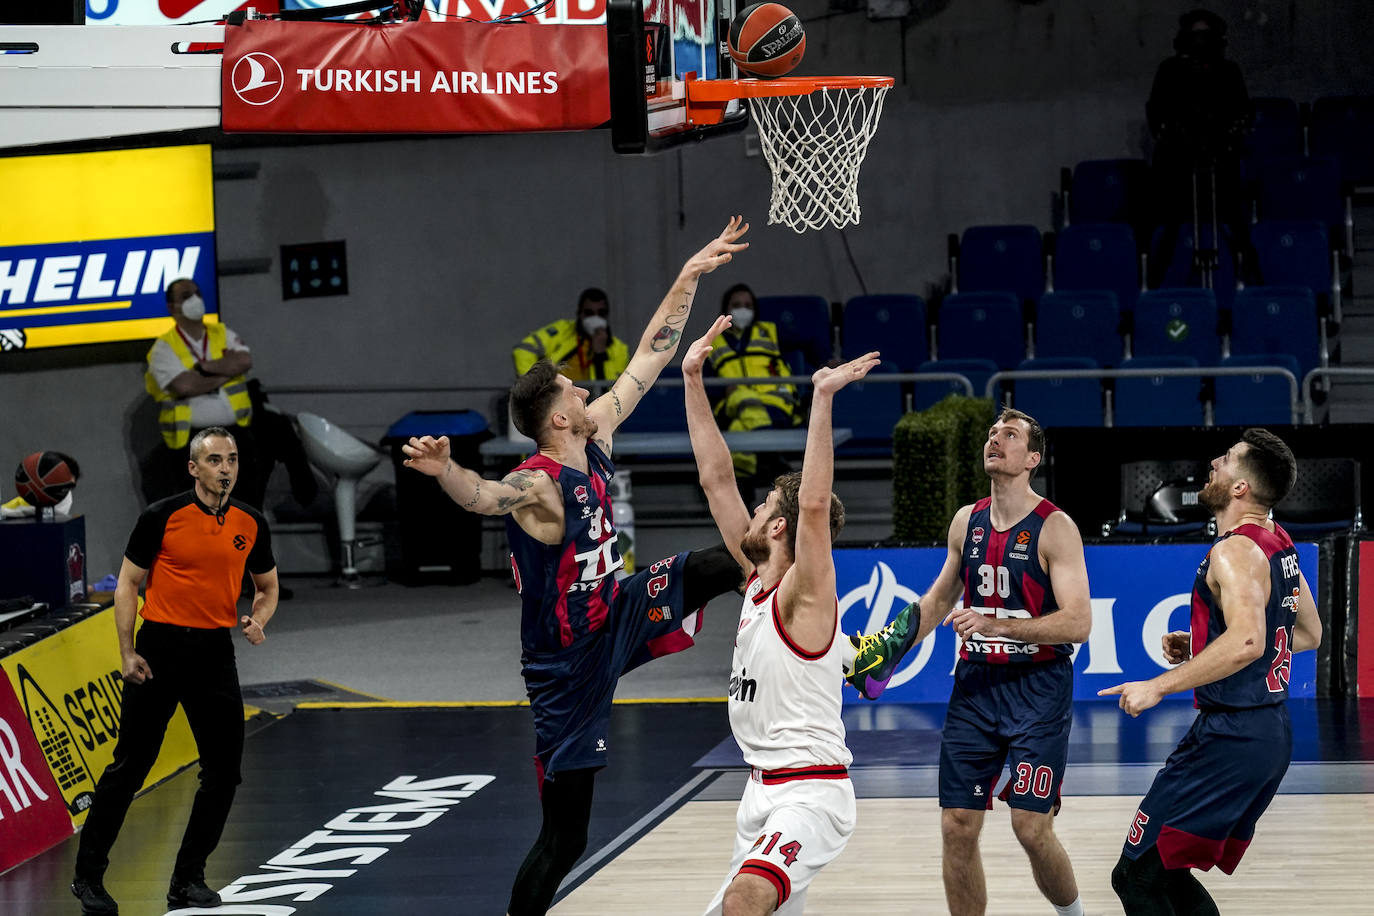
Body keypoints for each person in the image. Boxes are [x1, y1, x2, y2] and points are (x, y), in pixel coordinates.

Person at [402, 217, 751, 916]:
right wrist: (446, 472)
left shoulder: (594, 438)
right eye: (572, 390)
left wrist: (689, 274)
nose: (586, 392)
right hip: (566, 663)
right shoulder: (536, 483)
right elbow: (483, 497)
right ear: (558, 419)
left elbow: (648, 358)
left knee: (734, 561)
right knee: (566, 838)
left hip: (616, 607)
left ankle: (804, 648)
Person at [845, 408, 1093, 916]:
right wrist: (888, 646)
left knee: (1030, 826)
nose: (995, 440)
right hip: (976, 689)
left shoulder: (1056, 528)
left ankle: (1074, 914)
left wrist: (998, 624)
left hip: (1039, 688)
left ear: (1033, 458)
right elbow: (938, 600)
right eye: (991, 434)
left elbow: (1078, 623)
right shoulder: (967, 520)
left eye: (1010, 435)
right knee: (956, 826)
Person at [683, 306, 878, 915]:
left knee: (745, 901)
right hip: (758, 792)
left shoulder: (804, 592)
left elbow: (813, 506)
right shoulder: (757, 579)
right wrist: (692, 378)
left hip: (810, 794)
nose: (752, 506)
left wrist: (821, 398)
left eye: (765, 502)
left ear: (777, 526)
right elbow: (716, 480)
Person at [1100, 429, 1321, 916]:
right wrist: (1202, 646)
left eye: (1226, 460)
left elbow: (1247, 641)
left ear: (1241, 487)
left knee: (1135, 877)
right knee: (1164, 874)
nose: (1214, 464)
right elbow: (1308, 632)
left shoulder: (1234, 551)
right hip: (1263, 735)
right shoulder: (1277, 541)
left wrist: (1156, 685)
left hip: (1233, 737)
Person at [71, 427, 279, 916]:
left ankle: (187, 880)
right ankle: (88, 877)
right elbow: (127, 584)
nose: (225, 469)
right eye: (214, 460)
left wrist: (259, 620)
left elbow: (266, 587)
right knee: (131, 767)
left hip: (213, 651)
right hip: (160, 648)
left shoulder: (250, 522)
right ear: (194, 468)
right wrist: (126, 652)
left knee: (224, 771)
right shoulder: (161, 516)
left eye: (231, 459)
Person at [1145, 9, 1253, 287]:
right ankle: (1155, 289)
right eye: (1195, 34)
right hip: (1177, 167)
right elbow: (1157, 113)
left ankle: (1250, 285)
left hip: (1221, 166)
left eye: (1206, 34)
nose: (1200, 41)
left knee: (1237, 230)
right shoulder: (1169, 70)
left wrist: (1227, 137)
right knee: (1167, 231)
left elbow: (1241, 112)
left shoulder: (1228, 71)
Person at [705, 283, 802, 497]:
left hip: (776, 408)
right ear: (726, 309)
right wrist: (724, 391)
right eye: (737, 305)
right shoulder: (713, 343)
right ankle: (771, 457)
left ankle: (743, 486)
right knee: (741, 400)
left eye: (748, 305)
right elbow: (705, 387)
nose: (743, 310)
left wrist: (826, 358)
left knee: (738, 432)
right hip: (732, 408)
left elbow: (810, 339)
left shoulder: (770, 332)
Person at [512, 287, 631, 382]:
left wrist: (600, 354)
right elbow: (523, 350)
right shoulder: (562, 330)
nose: (595, 318)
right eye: (589, 313)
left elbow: (610, 392)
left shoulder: (619, 349)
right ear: (579, 314)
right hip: (555, 399)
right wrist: (533, 386)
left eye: (601, 313)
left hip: (591, 404)